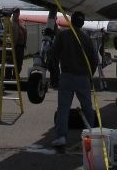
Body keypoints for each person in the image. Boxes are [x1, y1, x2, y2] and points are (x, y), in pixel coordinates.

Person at [50, 11, 98, 146]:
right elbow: (94, 60)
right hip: (83, 78)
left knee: (63, 108)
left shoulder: (63, 35)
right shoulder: (86, 38)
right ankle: (90, 134)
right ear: (82, 23)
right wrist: (90, 75)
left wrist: (55, 75)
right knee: (87, 108)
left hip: (66, 76)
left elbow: (53, 56)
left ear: (71, 21)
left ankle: (61, 137)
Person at [9, 7, 27, 79]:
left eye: (18, 12)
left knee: (19, 63)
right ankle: (8, 77)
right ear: (13, 13)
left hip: (21, 45)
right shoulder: (10, 22)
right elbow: (6, 33)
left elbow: (25, 32)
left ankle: (15, 76)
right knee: (11, 62)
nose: (17, 13)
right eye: (15, 12)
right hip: (13, 45)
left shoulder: (21, 21)